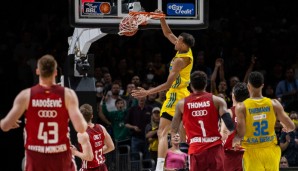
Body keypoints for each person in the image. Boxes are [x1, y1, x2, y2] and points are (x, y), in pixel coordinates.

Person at [0, 54, 92, 171]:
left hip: (36, 157)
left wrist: (11, 123)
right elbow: (80, 128)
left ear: (37, 71)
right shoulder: (68, 95)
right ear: (56, 72)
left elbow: (4, 126)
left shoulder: (26, 95)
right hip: (60, 156)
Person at [131, 9, 195, 171]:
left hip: (176, 95)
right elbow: (167, 33)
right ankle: (184, 165)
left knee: (162, 133)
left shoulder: (180, 60)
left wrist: (146, 92)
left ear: (184, 44)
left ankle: (160, 168)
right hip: (184, 94)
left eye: (178, 41)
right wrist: (162, 18)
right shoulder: (184, 49)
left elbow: (167, 85)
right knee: (181, 134)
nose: (176, 42)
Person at [171, 71, 235, 171]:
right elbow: (230, 125)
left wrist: (176, 140)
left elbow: (174, 126)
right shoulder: (217, 100)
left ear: (191, 85)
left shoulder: (181, 104)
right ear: (206, 83)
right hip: (215, 147)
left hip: (196, 148)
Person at [234, 71, 296, 171]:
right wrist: (284, 126)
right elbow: (291, 126)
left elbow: (241, 133)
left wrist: (234, 140)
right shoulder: (274, 103)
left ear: (248, 86)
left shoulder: (241, 107)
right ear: (262, 85)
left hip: (251, 151)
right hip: (270, 151)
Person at [71, 103, 115, 171]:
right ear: (92, 116)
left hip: (89, 168)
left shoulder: (82, 133)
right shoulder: (101, 127)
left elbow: (89, 157)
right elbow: (111, 146)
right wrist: (96, 152)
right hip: (102, 167)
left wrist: (75, 152)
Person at [220, 82, 249, 171]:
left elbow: (224, 133)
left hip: (230, 154)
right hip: (248, 153)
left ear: (233, 95)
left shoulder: (229, 112)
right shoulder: (250, 112)